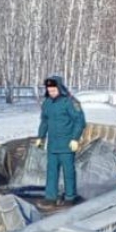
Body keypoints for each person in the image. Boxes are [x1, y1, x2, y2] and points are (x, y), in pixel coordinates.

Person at [35, 75, 86, 206]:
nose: (51, 92)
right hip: (52, 146)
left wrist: (75, 139)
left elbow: (80, 121)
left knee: (68, 171)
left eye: (54, 90)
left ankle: (70, 197)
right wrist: (41, 137)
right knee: (51, 172)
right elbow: (44, 121)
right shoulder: (47, 103)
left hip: (67, 145)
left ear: (59, 88)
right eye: (49, 90)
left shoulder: (70, 102)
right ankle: (50, 197)